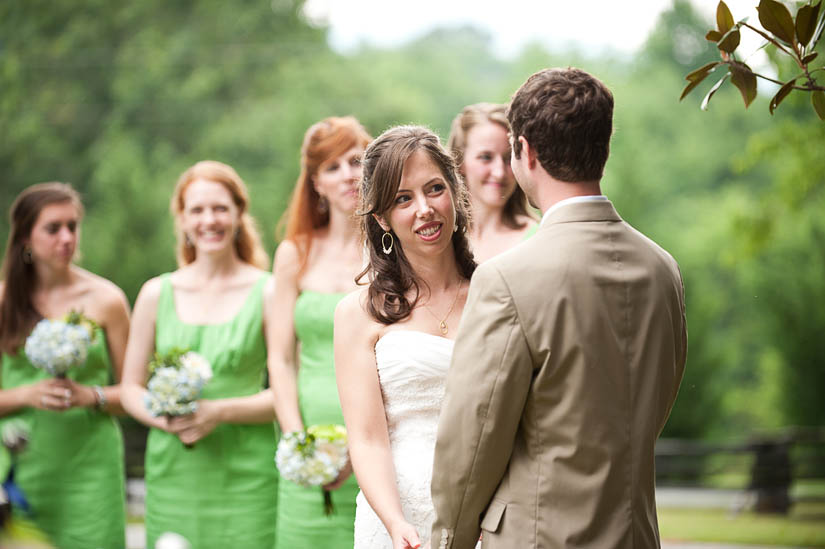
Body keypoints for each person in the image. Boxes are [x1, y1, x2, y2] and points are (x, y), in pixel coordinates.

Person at [431, 67, 688, 548]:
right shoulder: (662, 269)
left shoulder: (507, 278)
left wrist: (451, 540)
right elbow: (656, 404)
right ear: (603, 149)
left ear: (524, 151)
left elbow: (473, 441)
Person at [120, 161, 279, 548]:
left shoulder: (269, 291)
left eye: (220, 208)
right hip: (174, 473)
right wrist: (165, 416)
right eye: (198, 210)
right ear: (183, 220)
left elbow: (286, 393)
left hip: (248, 476)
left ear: (240, 214)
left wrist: (218, 412)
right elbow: (129, 387)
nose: (210, 220)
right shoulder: (156, 293)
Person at [335, 126, 476, 549]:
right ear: (380, 217)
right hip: (396, 517)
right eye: (403, 198)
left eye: (435, 189)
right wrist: (396, 523)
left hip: (489, 511)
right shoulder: (357, 314)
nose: (425, 209)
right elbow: (366, 438)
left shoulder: (498, 294)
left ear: (455, 193)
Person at [0, 182, 130, 549]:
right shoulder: (3, 301)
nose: (67, 237)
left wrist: (91, 395)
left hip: (91, 465)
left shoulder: (107, 300)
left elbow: (134, 393)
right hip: (21, 461)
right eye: (53, 228)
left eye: (73, 226)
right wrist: (27, 393)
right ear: (25, 237)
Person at [268, 116, 371, 548]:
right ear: (315, 183)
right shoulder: (294, 254)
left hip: (374, 440)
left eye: (356, 160)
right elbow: (280, 357)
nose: (347, 174)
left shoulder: (392, 250)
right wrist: (298, 441)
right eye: (332, 166)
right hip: (309, 443)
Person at [447, 103, 537, 263]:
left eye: (508, 157)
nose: (499, 172)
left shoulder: (537, 238)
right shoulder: (442, 239)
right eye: (486, 157)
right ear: (459, 162)